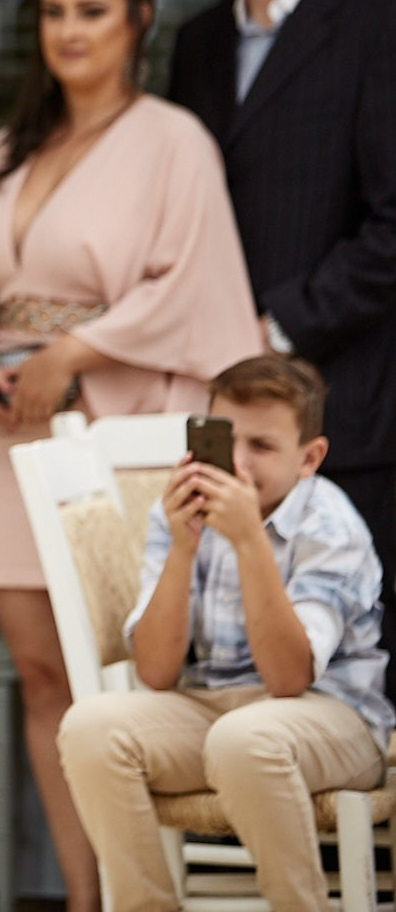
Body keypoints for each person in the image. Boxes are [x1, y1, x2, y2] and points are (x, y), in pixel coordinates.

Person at [0, 0, 264, 911]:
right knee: (41, 678)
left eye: (90, 11)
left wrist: (72, 357)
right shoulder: (2, 151)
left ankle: (143, 894)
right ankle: (84, 897)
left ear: (138, 23)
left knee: (116, 686)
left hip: (110, 441)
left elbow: (192, 289)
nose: (66, 31)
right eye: (51, 12)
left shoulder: (172, 142)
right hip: (5, 450)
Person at [167, 0, 396, 700]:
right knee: (233, 670)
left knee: (356, 683)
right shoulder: (196, 44)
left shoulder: (379, 31)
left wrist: (275, 324)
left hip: (357, 414)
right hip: (223, 420)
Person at [59, 356, 392, 912]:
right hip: (216, 712)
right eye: (223, 438)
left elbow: (288, 680)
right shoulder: (181, 515)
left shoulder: (331, 526)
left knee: (246, 738)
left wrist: (249, 544)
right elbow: (157, 673)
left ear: (309, 457)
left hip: (334, 718)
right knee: (91, 727)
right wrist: (183, 547)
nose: (236, 462)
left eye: (261, 447)